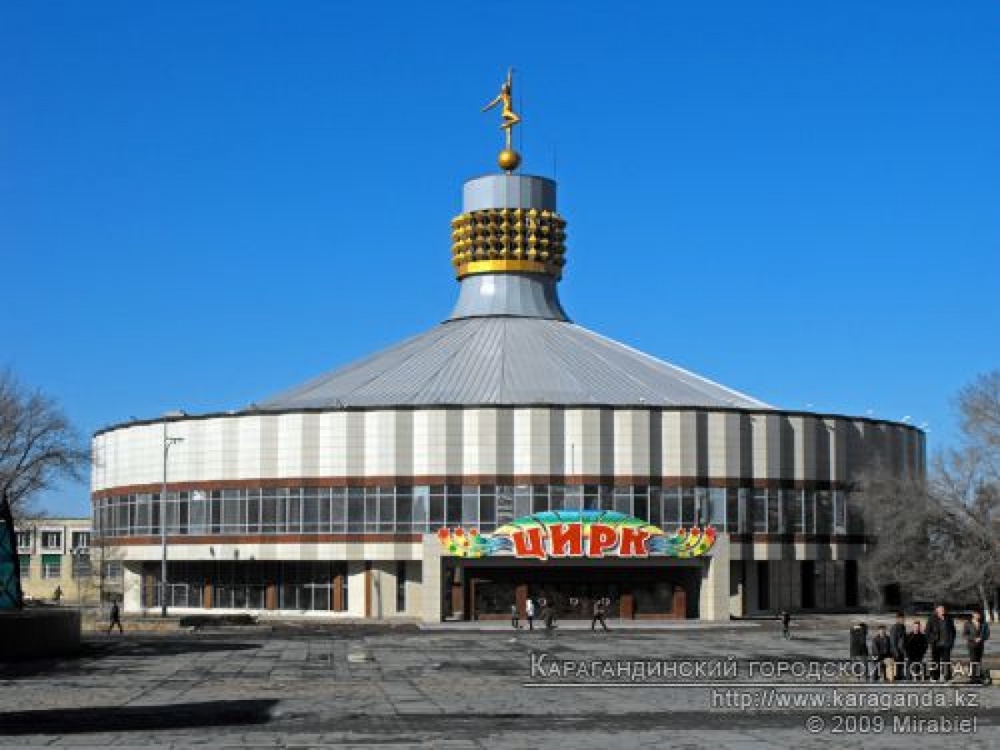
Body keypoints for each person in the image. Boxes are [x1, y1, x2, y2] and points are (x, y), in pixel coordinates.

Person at [925, 604, 957, 682]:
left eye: (943, 609)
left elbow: (953, 631)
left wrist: (951, 641)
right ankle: (935, 677)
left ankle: (947, 677)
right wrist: (931, 641)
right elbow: (927, 631)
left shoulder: (949, 618)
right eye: (941, 609)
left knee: (946, 661)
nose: (943, 611)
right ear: (937, 610)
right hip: (936, 644)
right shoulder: (932, 618)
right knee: (935, 661)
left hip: (946, 644)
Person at [963, 610, 990, 684]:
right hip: (971, 645)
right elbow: (965, 634)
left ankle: (978, 678)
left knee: (978, 661)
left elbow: (987, 634)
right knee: (973, 660)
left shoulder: (984, 624)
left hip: (980, 645)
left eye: (979, 615)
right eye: (976, 614)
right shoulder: (968, 623)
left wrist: (981, 638)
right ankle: (972, 678)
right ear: (973, 615)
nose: (978, 616)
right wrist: (973, 638)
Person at [889, 612, 908, 680]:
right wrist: (896, 652)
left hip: (902, 651)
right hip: (896, 652)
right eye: (902, 618)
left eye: (903, 618)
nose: (903, 620)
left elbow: (903, 639)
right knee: (896, 668)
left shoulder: (903, 627)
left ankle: (900, 677)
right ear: (898, 619)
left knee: (901, 667)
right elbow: (893, 641)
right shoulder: (894, 628)